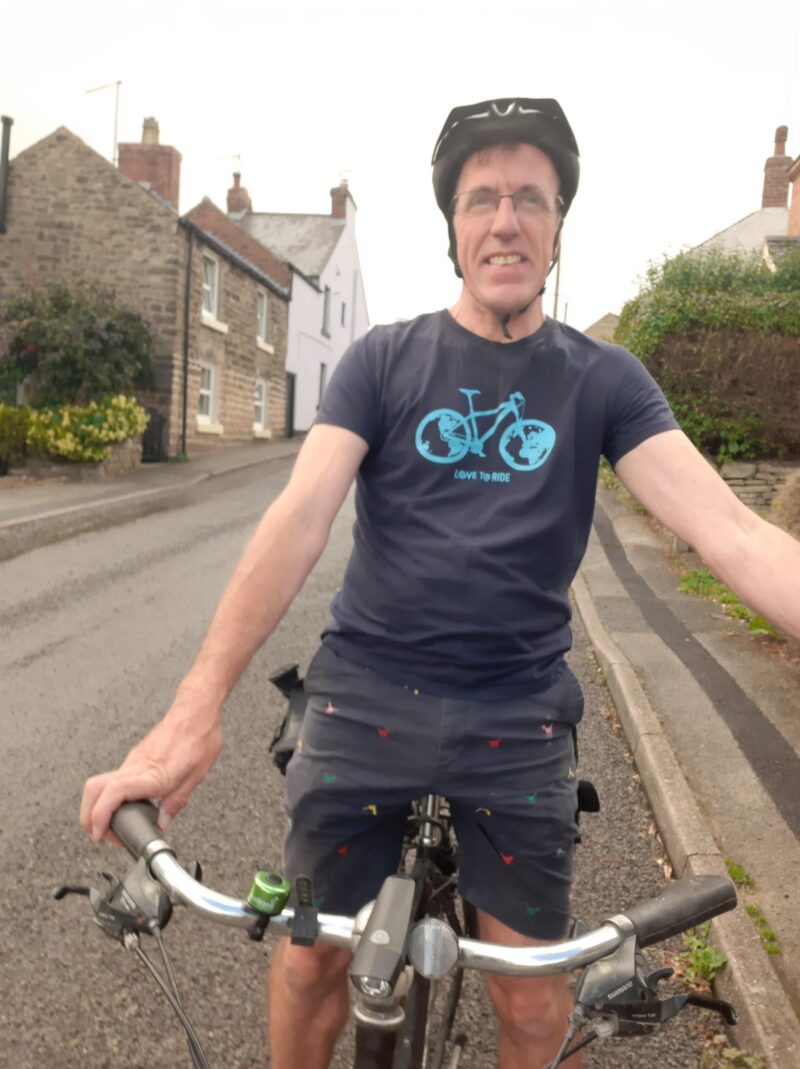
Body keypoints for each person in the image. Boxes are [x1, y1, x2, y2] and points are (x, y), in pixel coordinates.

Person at [81, 98, 800, 1069]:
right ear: (453, 227)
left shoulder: (604, 380)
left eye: (528, 199)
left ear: (554, 227)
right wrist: (191, 710)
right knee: (308, 966)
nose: (504, 219)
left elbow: (730, 531)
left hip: (516, 719)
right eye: (480, 199)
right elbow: (297, 519)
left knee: (536, 1008)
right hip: (361, 699)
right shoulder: (383, 361)